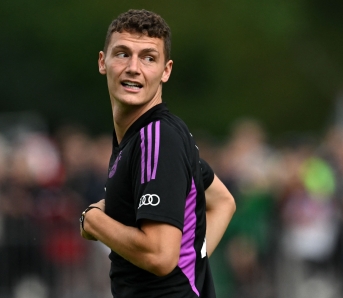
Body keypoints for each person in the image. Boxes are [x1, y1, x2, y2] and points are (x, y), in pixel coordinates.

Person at [79, 9, 236, 297]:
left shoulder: (157, 138)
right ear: (103, 62)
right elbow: (223, 202)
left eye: (149, 58)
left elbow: (160, 256)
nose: (133, 68)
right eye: (123, 54)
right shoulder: (144, 137)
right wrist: (190, 263)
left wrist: (93, 220)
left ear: (166, 70)